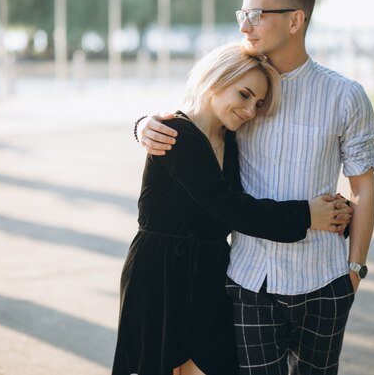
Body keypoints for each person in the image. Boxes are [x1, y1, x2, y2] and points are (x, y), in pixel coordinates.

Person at [136, 0, 374, 375]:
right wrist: (144, 125)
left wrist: (353, 273)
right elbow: (195, 123)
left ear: (295, 20)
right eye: (242, 14)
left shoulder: (345, 95)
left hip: (324, 279)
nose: (245, 25)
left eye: (257, 14)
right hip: (249, 281)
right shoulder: (242, 86)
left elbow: (364, 189)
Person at [113, 42, 354, 375]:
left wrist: (335, 212)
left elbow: (262, 187)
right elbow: (233, 208)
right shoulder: (177, 135)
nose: (251, 111)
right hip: (161, 273)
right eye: (244, 95)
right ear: (215, 80)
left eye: (258, 103)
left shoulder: (232, 140)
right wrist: (307, 215)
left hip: (211, 274)